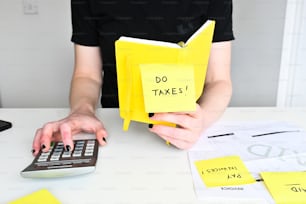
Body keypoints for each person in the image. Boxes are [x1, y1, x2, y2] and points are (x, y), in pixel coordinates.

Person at [32, 0, 234, 155]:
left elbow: (218, 81)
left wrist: (202, 120)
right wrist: (82, 111)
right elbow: (87, 75)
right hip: (117, 131)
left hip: (186, 131)